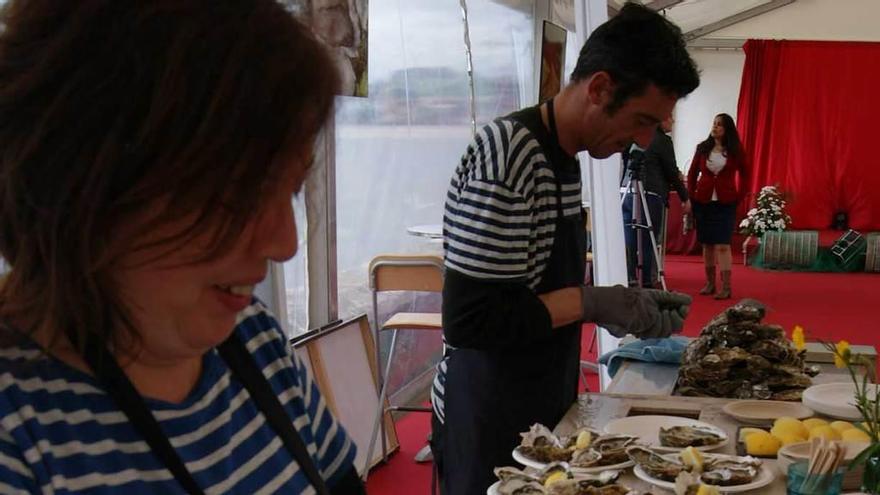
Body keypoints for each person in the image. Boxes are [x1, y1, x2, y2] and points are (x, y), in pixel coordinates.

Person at [0, 1, 364, 493]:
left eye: (293, 189)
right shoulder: (17, 433)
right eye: (243, 192)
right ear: (87, 182)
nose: (285, 244)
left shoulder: (254, 341)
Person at [431, 4, 700, 494]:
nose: (642, 141)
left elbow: (531, 287)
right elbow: (472, 320)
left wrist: (616, 301)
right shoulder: (513, 155)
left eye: (654, 128)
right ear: (598, 88)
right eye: (641, 121)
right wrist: (594, 302)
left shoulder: (565, 157)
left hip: (536, 397)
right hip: (488, 409)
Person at [621, 115, 691, 288]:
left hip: (628, 191)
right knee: (649, 238)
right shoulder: (663, 141)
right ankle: (647, 280)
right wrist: (684, 197)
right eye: (670, 118)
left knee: (629, 236)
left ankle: (629, 276)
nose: (673, 122)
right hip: (651, 193)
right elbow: (671, 171)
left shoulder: (636, 135)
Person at [687, 113, 749, 300]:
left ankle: (726, 286)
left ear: (727, 129)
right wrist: (692, 196)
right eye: (714, 124)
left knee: (723, 244)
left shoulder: (735, 151)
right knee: (707, 244)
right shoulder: (702, 148)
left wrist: (738, 196)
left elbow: (746, 175)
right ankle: (710, 283)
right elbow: (691, 175)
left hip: (725, 202)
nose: (715, 127)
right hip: (704, 201)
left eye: (719, 125)